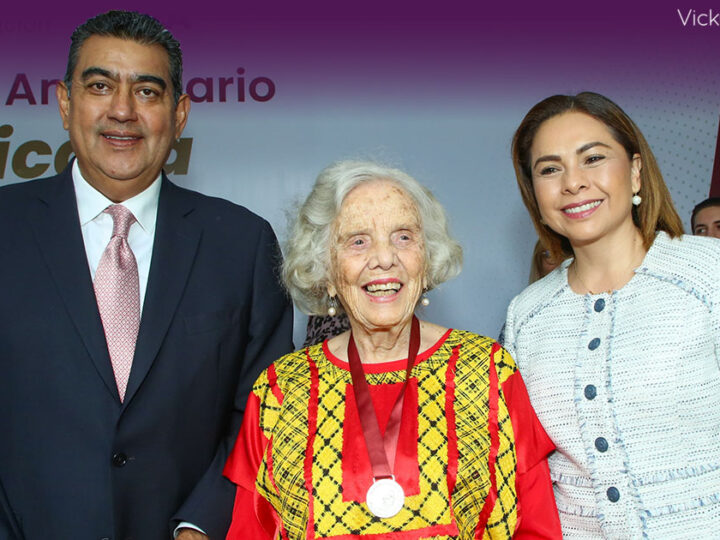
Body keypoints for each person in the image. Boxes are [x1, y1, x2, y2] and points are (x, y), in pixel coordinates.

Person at [0, 11, 293, 540]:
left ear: (179, 114)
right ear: (65, 103)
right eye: (99, 86)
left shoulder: (241, 244)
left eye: (148, 92)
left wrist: (200, 524)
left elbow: (262, 416)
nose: (122, 111)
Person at [223, 160, 561, 539]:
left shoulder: (485, 371)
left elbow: (535, 526)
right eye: (358, 241)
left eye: (403, 237)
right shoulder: (281, 391)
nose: (384, 258)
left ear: (427, 259)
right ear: (326, 269)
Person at [504, 92, 720, 538]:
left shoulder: (708, 273)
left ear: (636, 171)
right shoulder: (526, 315)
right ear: (534, 192)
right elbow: (527, 466)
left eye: (593, 158)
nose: (572, 183)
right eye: (549, 169)